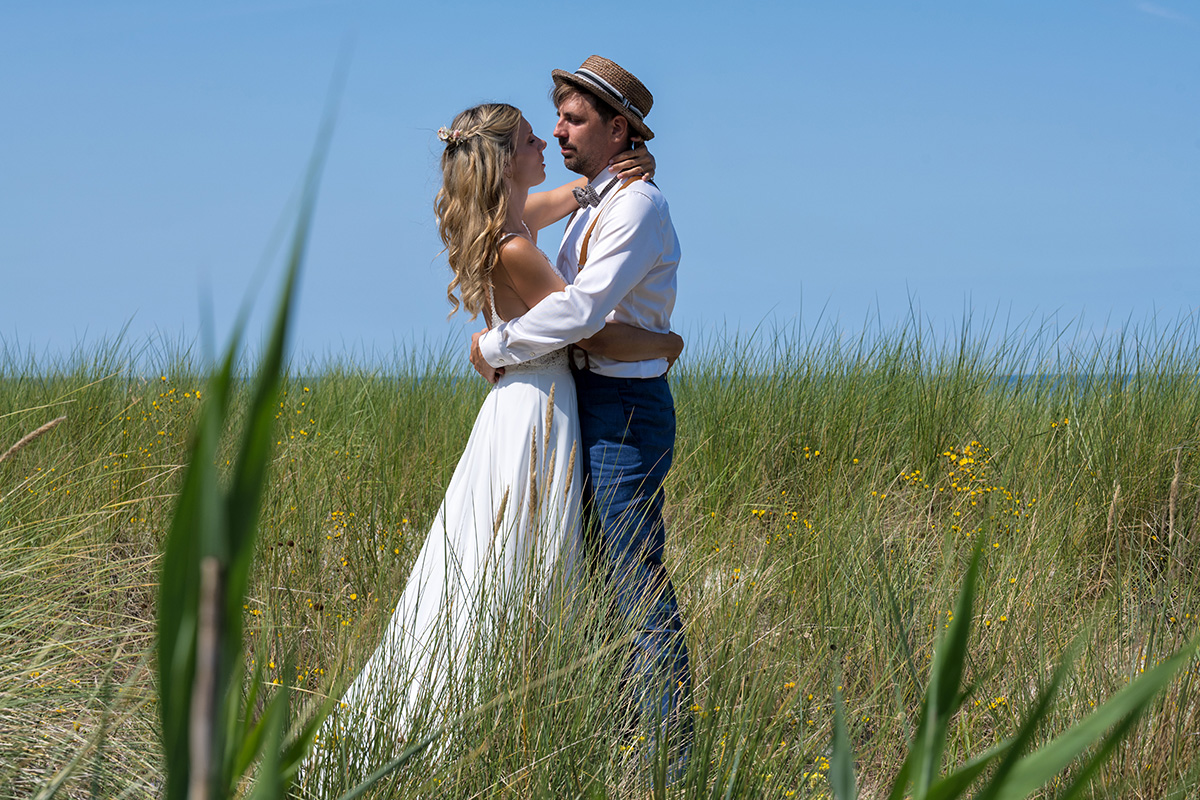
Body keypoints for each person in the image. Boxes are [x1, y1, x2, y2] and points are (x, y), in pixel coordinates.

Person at [307, 102, 681, 784]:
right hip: (540, 407)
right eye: (533, 138)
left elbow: (565, 199)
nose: (547, 142)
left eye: (558, 126)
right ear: (507, 161)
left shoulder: (503, 223)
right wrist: (664, 342)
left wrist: (615, 175)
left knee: (503, 553)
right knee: (524, 557)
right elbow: (585, 326)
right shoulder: (515, 246)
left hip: (520, 404)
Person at [470, 56, 691, 779]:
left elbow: (581, 313)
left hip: (622, 409)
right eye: (554, 121)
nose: (559, 131)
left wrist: (495, 345)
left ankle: (669, 760)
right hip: (579, 400)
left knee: (633, 577)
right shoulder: (596, 198)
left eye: (573, 119)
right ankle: (621, 736)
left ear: (617, 129)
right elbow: (580, 314)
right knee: (591, 579)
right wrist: (662, 341)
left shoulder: (637, 207)